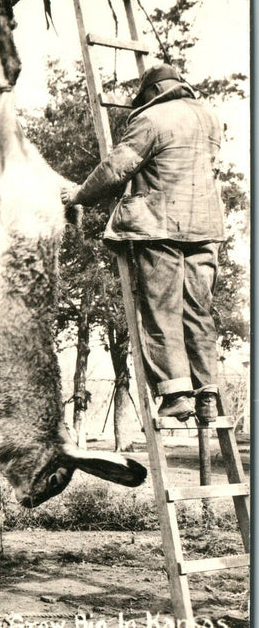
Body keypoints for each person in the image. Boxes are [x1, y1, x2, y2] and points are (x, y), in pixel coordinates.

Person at [62, 64, 225, 424]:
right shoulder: (211, 118)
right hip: (207, 228)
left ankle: (175, 394)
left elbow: (115, 170)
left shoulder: (152, 118)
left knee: (161, 309)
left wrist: (78, 195)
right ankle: (207, 392)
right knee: (198, 311)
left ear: (152, 92)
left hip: (161, 226)